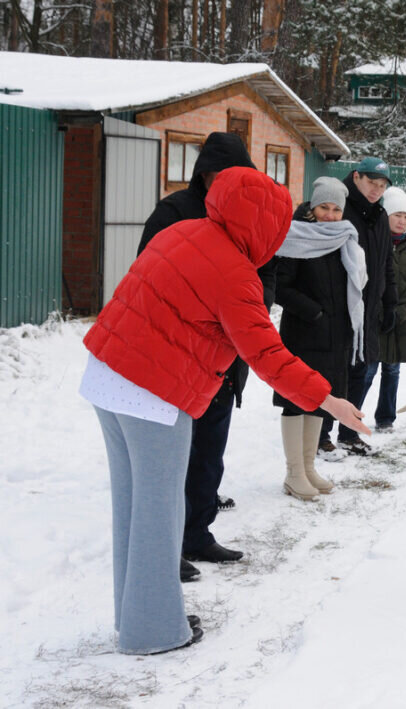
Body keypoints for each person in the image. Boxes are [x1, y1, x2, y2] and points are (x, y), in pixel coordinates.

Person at [80, 167, 371, 655]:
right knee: (160, 512)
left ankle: (138, 614)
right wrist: (329, 399)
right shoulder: (234, 273)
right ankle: (153, 630)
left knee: (134, 507)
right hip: (152, 392)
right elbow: (267, 355)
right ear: (262, 224)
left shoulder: (183, 231)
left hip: (107, 374)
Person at [137, 131, 271, 582]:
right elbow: (149, 274)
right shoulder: (174, 212)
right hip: (179, 358)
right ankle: (165, 545)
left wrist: (254, 308)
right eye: (218, 175)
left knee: (210, 454)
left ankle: (197, 533)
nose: (226, 184)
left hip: (226, 359)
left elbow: (267, 272)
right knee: (172, 460)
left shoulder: (252, 218)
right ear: (203, 174)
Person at [273, 177, 368, 500]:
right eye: (324, 207)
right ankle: (293, 473)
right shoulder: (296, 237)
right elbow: (280, 287)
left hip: (335, 335)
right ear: (313, 207)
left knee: (318, 399)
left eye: (336, 209)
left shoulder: (345, 239)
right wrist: (314, 312)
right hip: (302, 334)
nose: (329, 214)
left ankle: (309, 467)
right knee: (294, 401)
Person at [319, 157, 399, 456]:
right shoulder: (339, 209)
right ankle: (322, 434)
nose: (376, 190)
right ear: (356, 177)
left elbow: (386, 262)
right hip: (340, 307)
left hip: (369, 309)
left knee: (360, 371)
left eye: (381, 186)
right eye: (371, 183)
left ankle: (349, 433)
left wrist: (389, 302)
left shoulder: (379, 215)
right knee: (334, 372)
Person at [358, 186, 406, 431]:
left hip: (401, 321)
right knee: (367, 371)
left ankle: (386, 419)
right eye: (397, 215)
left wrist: (399, 312)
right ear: (386, 215)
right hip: (375, 318)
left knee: (392, 370)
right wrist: (379, 311)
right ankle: (351, 417)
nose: (401, 221)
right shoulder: (373, 242)